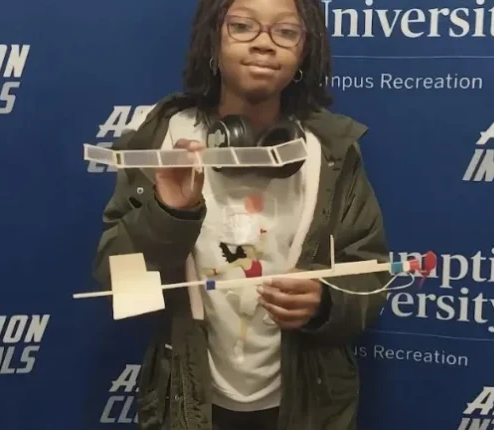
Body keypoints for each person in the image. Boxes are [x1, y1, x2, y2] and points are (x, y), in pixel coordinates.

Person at [92, 0, 391, 428]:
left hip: (309, 406)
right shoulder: (163, 141)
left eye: (285, 31)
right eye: (243, 26)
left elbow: (370, 277)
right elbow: (119, 286)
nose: (264, 44)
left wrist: (326, 303)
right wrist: (169, 214)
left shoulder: (332, 151)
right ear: (212, 39)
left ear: (305, 51)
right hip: (189, 405)